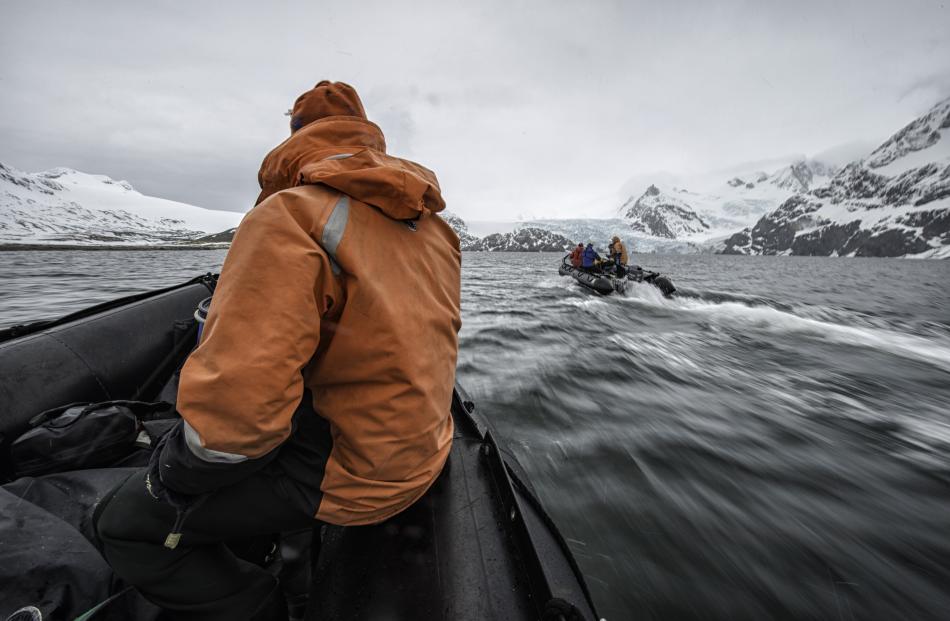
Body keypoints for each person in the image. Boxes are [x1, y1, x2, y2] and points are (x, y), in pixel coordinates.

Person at [94, 81, 462, 621]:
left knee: (124, 525)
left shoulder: (290, 215)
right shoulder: (436, 230)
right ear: (369, 138)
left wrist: (171, 472)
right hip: (424, 450)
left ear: (295, 136)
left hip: (355, 473)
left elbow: (235, 426)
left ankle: (263, 608)